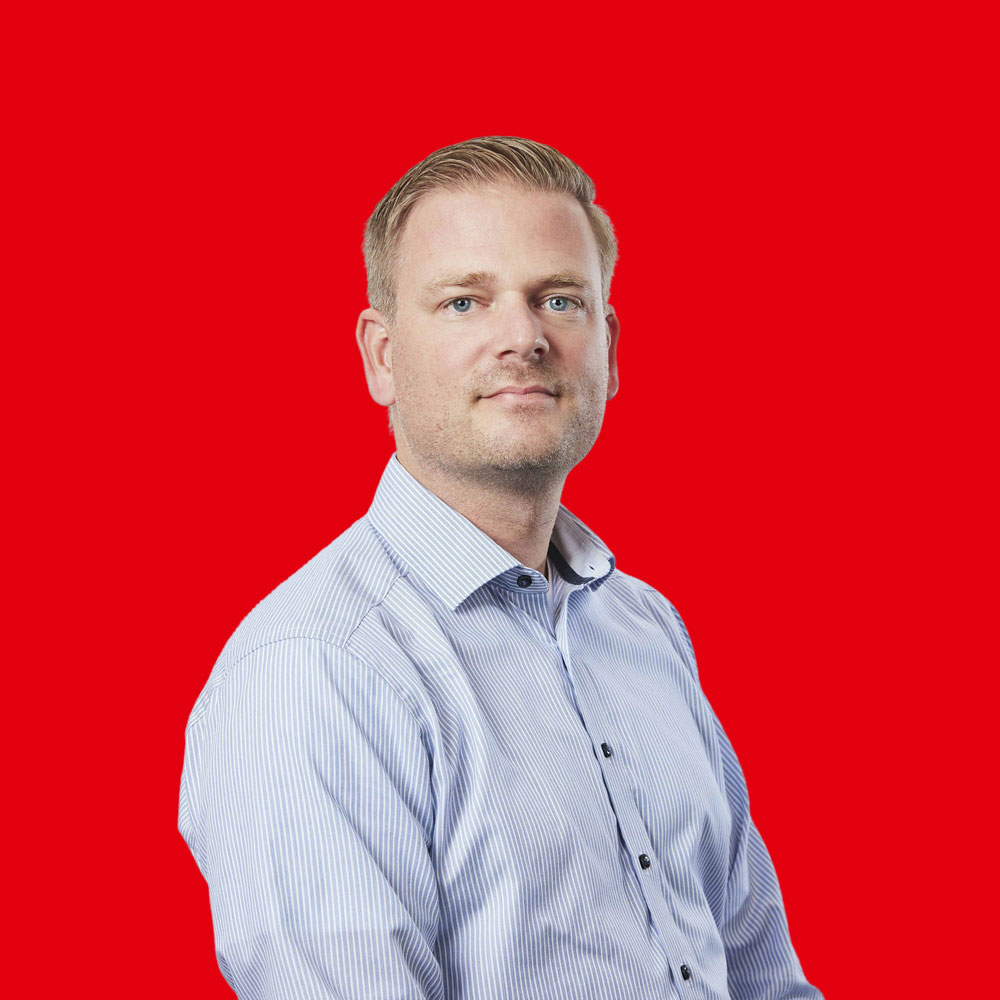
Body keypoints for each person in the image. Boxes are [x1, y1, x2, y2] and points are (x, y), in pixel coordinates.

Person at [178, 136, 823, 1000]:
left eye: (559, 299)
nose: (522, 337)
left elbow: (761, 977)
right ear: (381, 355)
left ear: (610, 347)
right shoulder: (316, 668)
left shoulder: (644, 628)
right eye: (463, 303)